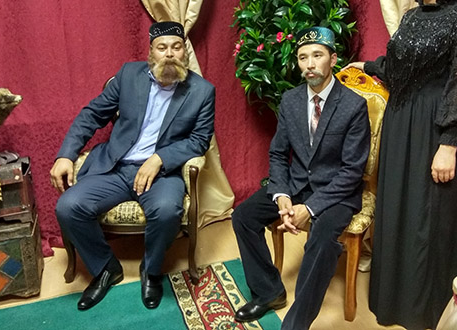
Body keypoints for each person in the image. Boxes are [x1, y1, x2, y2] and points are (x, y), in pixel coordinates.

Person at [345, 0, 457, 329]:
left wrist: (449, 142)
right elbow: (397, 69)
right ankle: (392, 303)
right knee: (397, 210)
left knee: (429, 218)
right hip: (400, 124)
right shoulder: (410, 18)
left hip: (433, 129)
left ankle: (423, 312)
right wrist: (368, 66)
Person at [50, 21, 215, 311]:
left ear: (185, 52)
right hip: (116, 166)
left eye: (176, 47)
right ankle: (106, 268)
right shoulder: (128, 75)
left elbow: (199, 141)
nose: (169, 54)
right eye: (162, 47)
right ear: (151, 52)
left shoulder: (202, 91)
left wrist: (159, 158)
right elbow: (92, 115)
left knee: (167, 211)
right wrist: (65, 155)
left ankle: (151, 270)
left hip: (161, 173)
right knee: (68, 207)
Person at [232, 27, 371, 330]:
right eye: (303, 57)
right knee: (243, 216)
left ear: (332, 59)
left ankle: (296, 324)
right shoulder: (291, 100)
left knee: (321, 240)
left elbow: (351, 171)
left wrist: (309, 208)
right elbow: (278, 153)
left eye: (317, 55)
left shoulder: (353, 105)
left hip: (337, 192)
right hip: (295, 185)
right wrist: (281, 194)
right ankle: (269, 291)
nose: (309, 64)